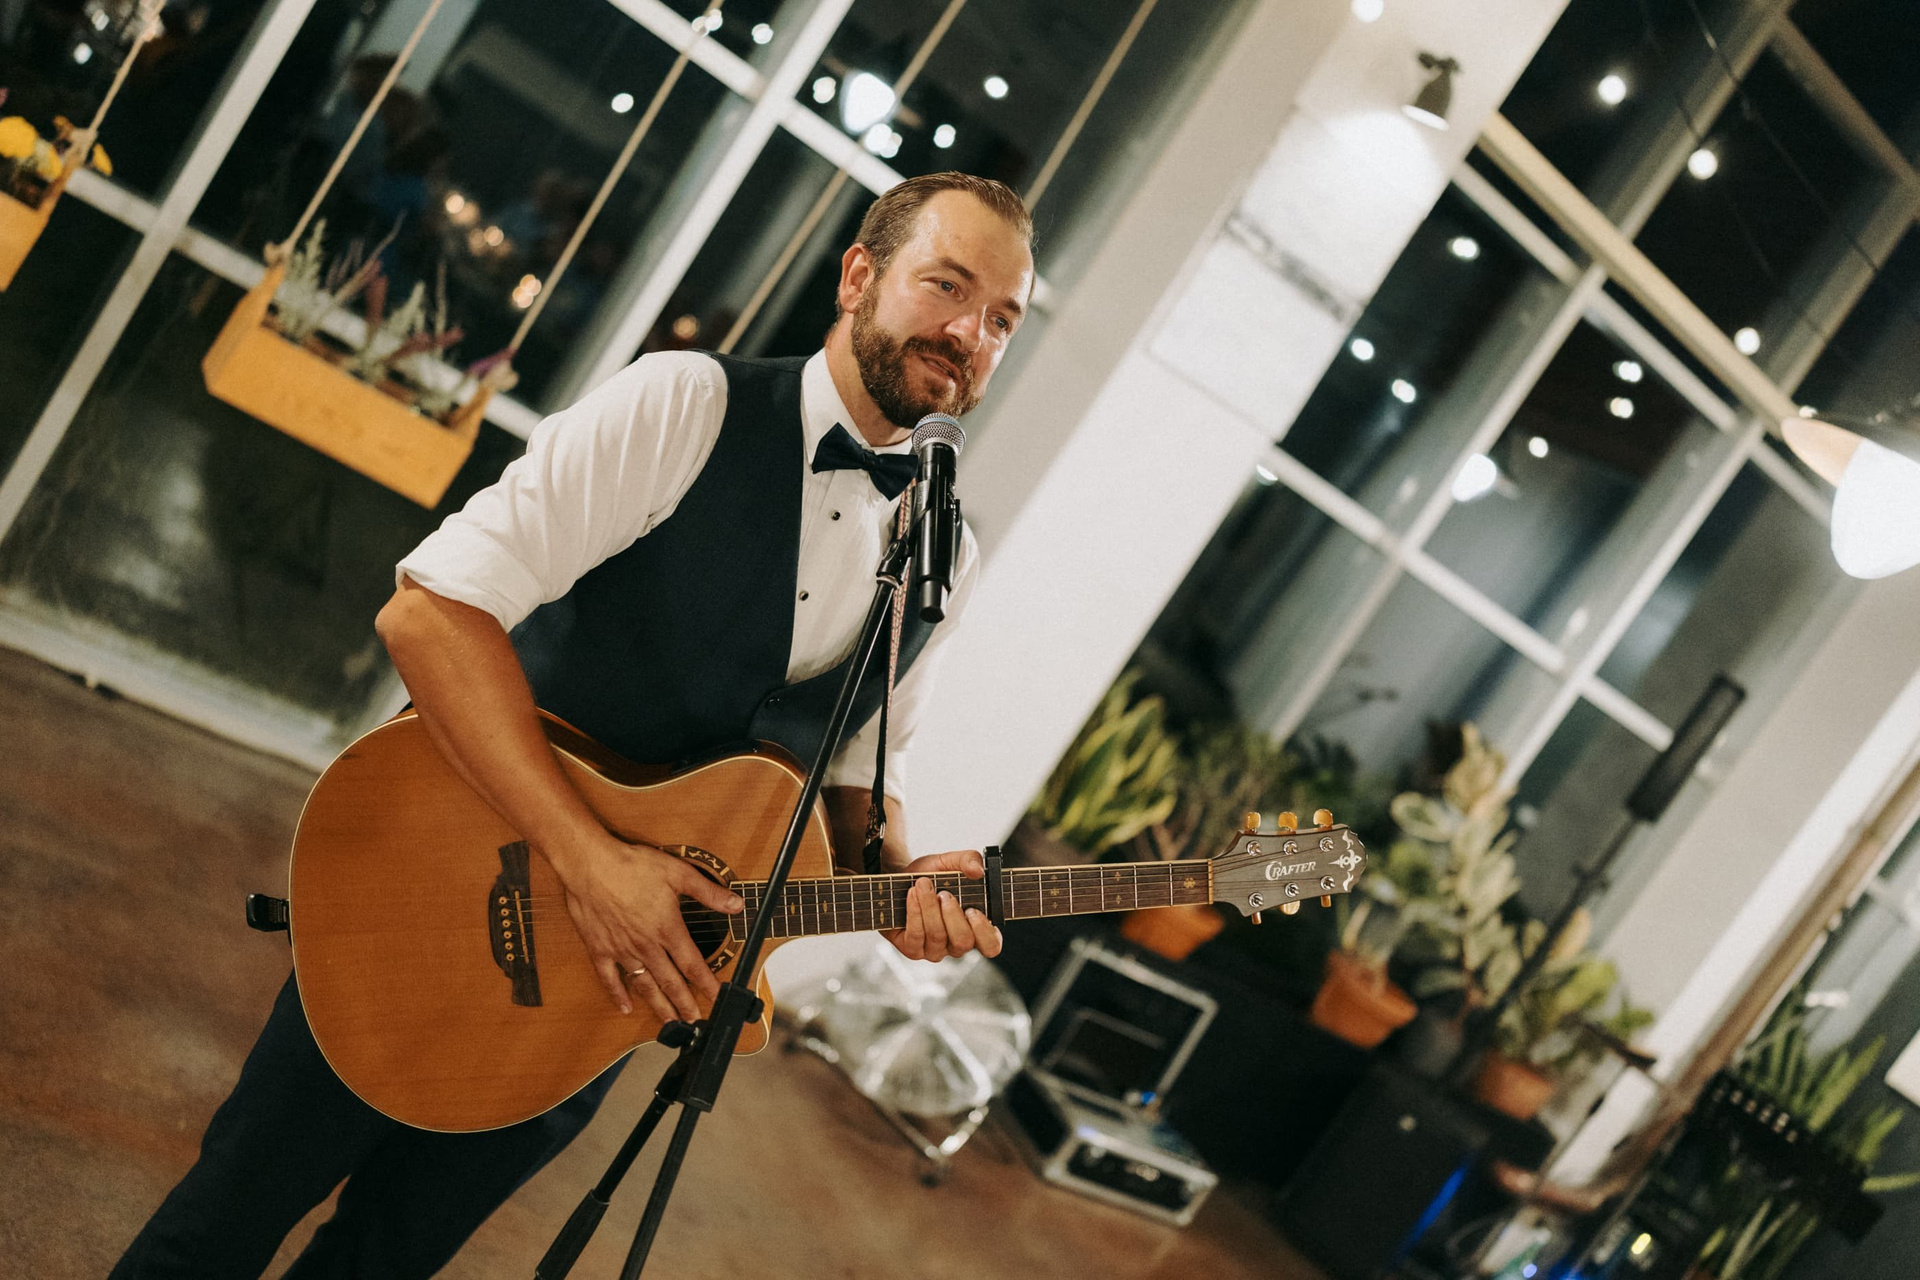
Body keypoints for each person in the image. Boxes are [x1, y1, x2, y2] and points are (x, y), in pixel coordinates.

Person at [111, 170, 1037, 1278]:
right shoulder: (685, 405)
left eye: (1002, 319)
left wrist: (898, 882)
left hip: (612, 996)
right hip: (444, 879)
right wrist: (591, 862)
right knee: (224, 1220)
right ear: (857, 276)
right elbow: (429, 613)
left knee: (387, 1259)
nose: (969, 334)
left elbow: (852, 763)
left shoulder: (946, 552)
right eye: (947, 285)